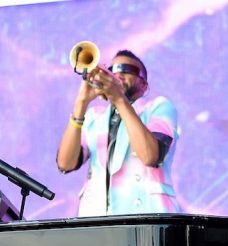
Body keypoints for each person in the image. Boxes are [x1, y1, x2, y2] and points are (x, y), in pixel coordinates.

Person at [56, 49, 180, 216]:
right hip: (97, 220)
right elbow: (65, 163)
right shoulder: (94, 117)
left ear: (144, 85)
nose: (118, 74)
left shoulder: (158, 107)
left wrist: (119, 98)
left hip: (147, 218)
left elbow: (150, 156)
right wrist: (81, 103)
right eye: (113, 70)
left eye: (128, 70)